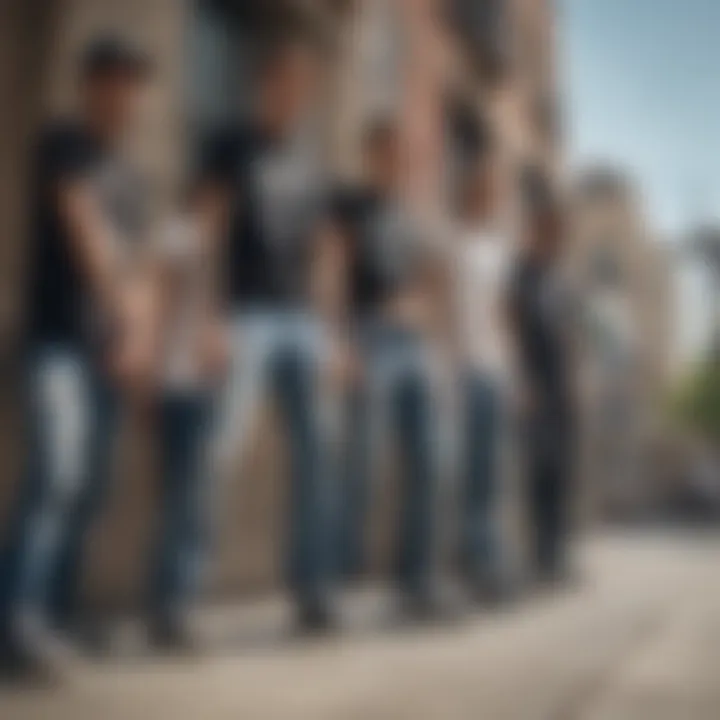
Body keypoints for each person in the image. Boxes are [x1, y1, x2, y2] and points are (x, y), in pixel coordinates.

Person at [0, 36, 153, 678]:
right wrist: (123, 312)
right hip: (57, 344)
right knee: (56, 477)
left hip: (103, 354)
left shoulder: (136, 175)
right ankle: (19, 620)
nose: (123, 95)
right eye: (112, 80)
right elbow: (82, 225)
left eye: (132, 84)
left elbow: (141, 266)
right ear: (90, 85)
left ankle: (57, 614)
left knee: (89, 489)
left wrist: (138, 334)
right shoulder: (66, 143)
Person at [195, 31, 338, 632]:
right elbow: (205, 227)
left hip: (302, 321)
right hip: (246, 315)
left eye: (301, 87)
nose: (292, 95)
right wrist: (206, 316)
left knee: (318, 456)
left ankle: (311, 593)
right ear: (263, 86)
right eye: (282, 83)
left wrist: (331, 332)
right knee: (218, 452)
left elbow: (323, 252)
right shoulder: (231, 145)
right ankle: (178, 599)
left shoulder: (309, 163)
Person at [332, 120, 443, 619]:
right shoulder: (350, 205)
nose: (394, 163)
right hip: (368, 337)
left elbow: (428, 280)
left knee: (429, 461)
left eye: (401, 155)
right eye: (385, 153)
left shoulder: (410, 219)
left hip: (412, 346)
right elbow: (332, 271)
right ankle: (333, 583)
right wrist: (343, 342)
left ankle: (415, 584)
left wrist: (418, 307)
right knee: (362, 463)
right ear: (370, 154)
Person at [142, 203, 222, 651]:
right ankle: (170, 609)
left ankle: (175, 606)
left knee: (191, 501)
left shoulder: (205, 240)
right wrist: (151, 376)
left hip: (196, 384)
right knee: (184, 501)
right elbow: (159, 298)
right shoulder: (182, 234)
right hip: (177, 383)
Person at [452, 151, 515, 602]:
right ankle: (474, 564)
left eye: (497, 193)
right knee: (466, 472)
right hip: (462, 370)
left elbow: (500, 313)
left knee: (489, 474)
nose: (492, 199)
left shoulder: (497, 250)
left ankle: (487, 564)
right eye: (486, 191)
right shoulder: (454, 243)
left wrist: (511, 371)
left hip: (493, 369)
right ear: (471, 193)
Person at [509, 176, 577, 585]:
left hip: (559, 385)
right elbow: (513, 325)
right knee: (537, 468)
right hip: (534, 382)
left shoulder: (559, 278)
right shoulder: (522, 273)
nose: (554, 237)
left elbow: (568, 333)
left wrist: (572, 382)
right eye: (549, 228)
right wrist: (522, 378)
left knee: (560, 470)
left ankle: (555, 553)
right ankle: (539, 554)